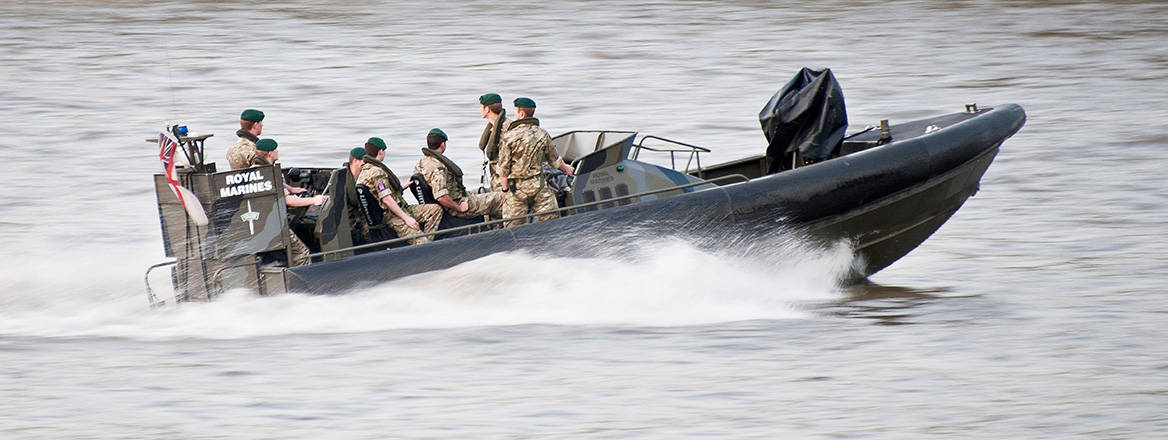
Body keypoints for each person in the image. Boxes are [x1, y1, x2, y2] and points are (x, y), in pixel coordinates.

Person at [497, 97, 574, 228]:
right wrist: (566, 169)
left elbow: (503, 168)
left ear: (521, 114)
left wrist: (505, 190)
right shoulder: (542, 134)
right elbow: (554, 160)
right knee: (551, 219)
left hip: (516, 189)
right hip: (538, 186)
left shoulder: (509, 137)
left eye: (515, 112)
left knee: (512, 227)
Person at [251, 138, 325, 266]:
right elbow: (287, 200)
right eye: (275, 150)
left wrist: (289, 188)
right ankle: (304, 283)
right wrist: (314, 200)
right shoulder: (270, 174)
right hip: (274, 225)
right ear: (270, 153)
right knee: (302, 253)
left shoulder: (252, 171)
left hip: (256, 225)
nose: (277, 152)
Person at [356, 137, 443, 245]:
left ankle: (426, 238)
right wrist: (407, 219)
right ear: (381, 151)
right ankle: (424, 244)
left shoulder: (364, 172)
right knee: (422, 242)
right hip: (392, 216)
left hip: (390, 211)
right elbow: (386, 199)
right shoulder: (377, 172)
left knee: (435, 210)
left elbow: (378, 193)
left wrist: (402, 188)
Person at [414, 128, 504, 220]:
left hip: (456, 197)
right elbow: (441, 197)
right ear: (443, 144)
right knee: (502, 197)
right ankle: (509, 226)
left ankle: (493, 223)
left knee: (486, 191)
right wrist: (459, 208)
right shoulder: (438, 168)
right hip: (456, 205)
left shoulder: (421, 163)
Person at [477, 93, 511, 191]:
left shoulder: (505, 129)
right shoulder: (494, 126)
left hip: (504, 184)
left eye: (481, 107)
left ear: (487, 109)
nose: (480, 110)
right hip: (497, 180)